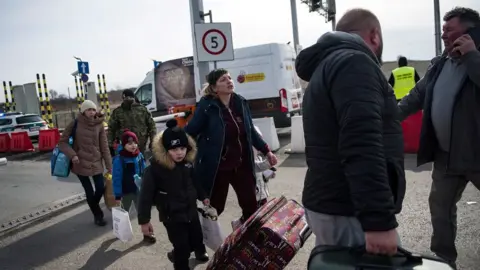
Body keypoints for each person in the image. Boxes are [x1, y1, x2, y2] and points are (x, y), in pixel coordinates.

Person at [295, 8, 405, 256]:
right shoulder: (355, 63)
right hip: (348, 209)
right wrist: (378, 221)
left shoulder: (328, 65)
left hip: (333, 203)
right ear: (374, 35)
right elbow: (362, 141)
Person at [397, 7, 480, 269]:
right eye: (443, 30)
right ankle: (444, 260)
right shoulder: (440, 64)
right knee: (440, 209)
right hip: (446, 156)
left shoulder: (476, 59)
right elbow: (415, 98)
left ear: (470, 33)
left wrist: (472, 56)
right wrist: (386, 117)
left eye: (449, 30)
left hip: (477, 154)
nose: (443, 35)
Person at [184, 68, 278, 226]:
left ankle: (244, 238)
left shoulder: (240, 102)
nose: (229, 81)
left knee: (251, 206)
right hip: (218, 167)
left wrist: (266, 151)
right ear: (214, 87)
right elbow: (190, 132)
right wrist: (179, 153)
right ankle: (197, 238)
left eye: (229, 78)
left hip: (242, 164)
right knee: (215, 208)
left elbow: (250, 132)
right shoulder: (207, 107)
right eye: (223, 80)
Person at [137, 119, 209, 270]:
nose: (179, 153)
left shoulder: (188, 163)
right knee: (182, 247)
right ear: (165, 150)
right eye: (174, 149)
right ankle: (180, 262)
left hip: (191, 211)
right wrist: (144, 221)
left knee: (197, 237)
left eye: (182, 148)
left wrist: (203, 196)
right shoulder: (155, 169)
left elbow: (196, 181)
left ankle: (198, 250)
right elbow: (145, 196)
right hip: (172, 216)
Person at [58, 100, 112, 226]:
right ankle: (98, 215)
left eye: (93, 109)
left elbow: (104, 146)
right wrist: (73, 155)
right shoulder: (75, 123)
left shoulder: (99, 125)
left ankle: (94, 207)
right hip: (79, 162)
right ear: (83, 111)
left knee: (100, 187)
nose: (92, 112)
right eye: (89, 110)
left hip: (96, 161)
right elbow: (62, 142)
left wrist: (109, 166)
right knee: (89, 191)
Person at [111, 129, 154, 243]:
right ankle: (120, 229)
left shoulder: (139, 155)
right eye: (129, 143)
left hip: (139, 189)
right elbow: (116, 179)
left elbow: (144, 171)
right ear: (123, 144)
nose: (133, 145)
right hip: (126, 191)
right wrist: (117, 195)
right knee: (124, 212)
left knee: (143, 211)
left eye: (134, 142)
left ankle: (147, 234)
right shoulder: (119, 160)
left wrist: (147, 184)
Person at [108, 89, 156, 155]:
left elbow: (152, 126)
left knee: (141, 161)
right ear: (123, 98)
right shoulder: (118, 112)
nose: (128, 99)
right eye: (126, 97)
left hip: (141, 144)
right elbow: (111, 129)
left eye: (130, 97)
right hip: (125, 146)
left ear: (133, 97)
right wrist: (110, 145)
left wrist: (153, 141)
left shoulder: (142, 109)